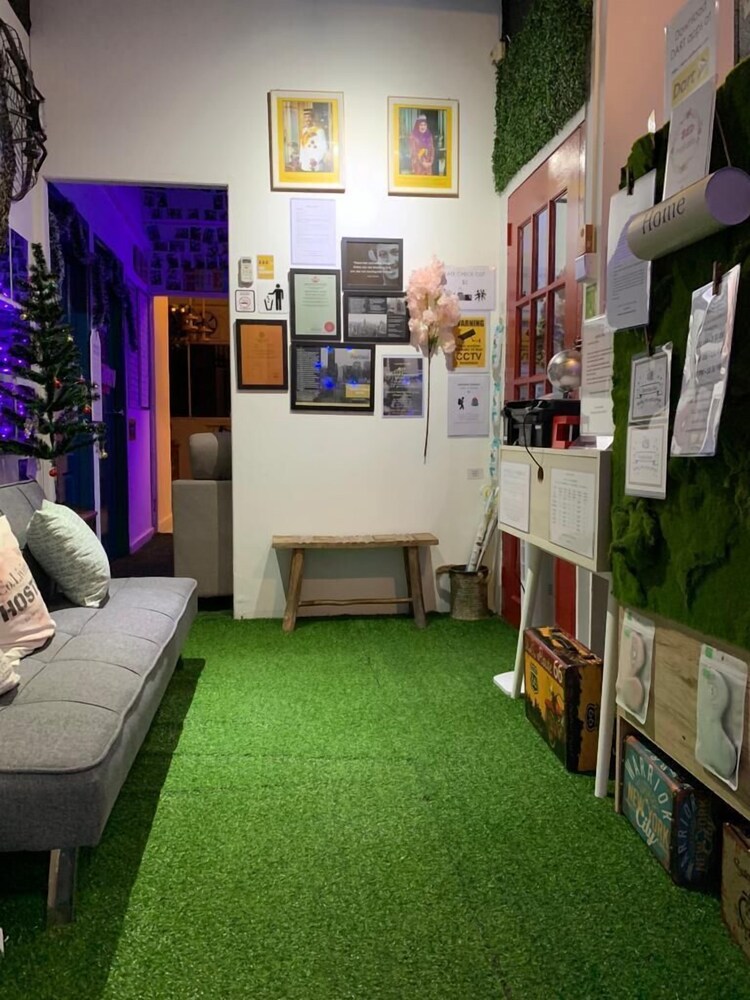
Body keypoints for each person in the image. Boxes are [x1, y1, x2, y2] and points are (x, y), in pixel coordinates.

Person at [299, 106, 329, 172]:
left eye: (309, 117)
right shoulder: (303, 131)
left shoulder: (319, 131)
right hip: (305, 163)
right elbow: (302, 147)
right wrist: (301, 160)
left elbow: (324, 148)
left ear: (313, 118)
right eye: (305, 117)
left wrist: (316, 159)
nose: (307, 119)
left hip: (315, 164)